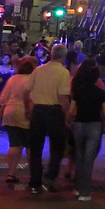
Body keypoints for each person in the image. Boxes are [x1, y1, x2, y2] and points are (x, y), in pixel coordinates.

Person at [25, 43, 73, 194]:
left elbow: (26, 91)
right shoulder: (63, 73)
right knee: (57, 146)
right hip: (54, 111)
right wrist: (67, 114)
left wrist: (28, 108)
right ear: (64, 56)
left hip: (38, 110)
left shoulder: (39, 70)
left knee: (35, 147)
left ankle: (35, 182)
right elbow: (62, 97)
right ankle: (51, 175)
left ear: (51, 54)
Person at [70, 59, 105, 200]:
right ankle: (85, 193)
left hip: (79, 123)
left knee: (79, 156)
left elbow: (71, 109)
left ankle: (78, 188)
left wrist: (68, 119)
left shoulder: (78, 90)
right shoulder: (100, 92)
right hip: (94, 124)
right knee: (89, 158)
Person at [0, 56, 36, 185]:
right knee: (31, 146)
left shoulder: (12, 79)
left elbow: (2, 99)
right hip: (28, 113)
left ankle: (11, 173)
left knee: (14, 145)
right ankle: (34, 175)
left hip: (11, 112)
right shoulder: (33, 80)